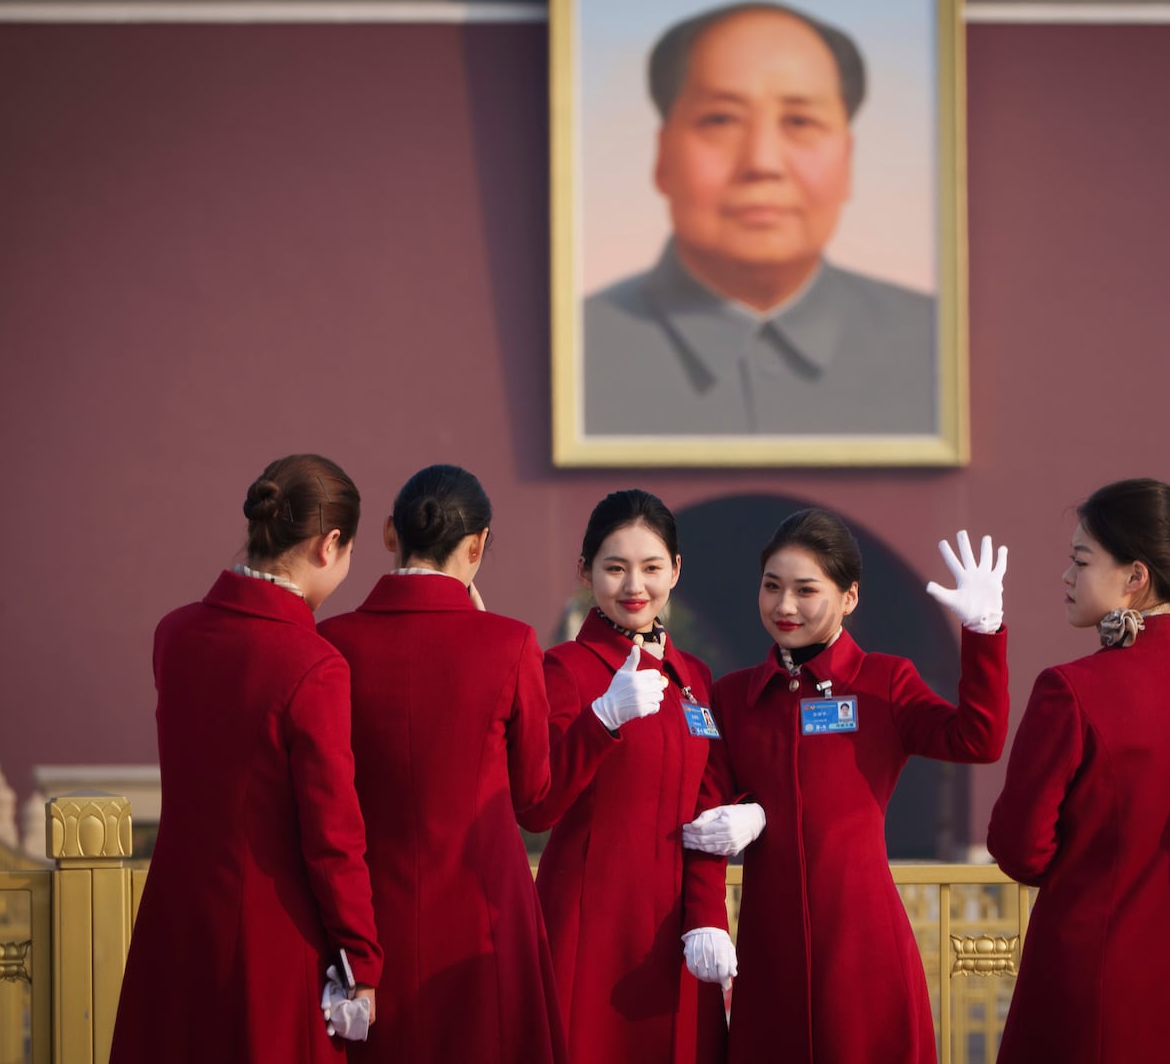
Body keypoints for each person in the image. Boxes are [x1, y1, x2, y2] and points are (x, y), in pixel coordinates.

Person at [682, 510, 1009, 1063]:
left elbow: (977, 740)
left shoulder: (885, 682)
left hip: (864, 942)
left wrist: (983, 635)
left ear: (849, 598)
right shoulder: (734, 698)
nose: (785, 606)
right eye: (772, 587)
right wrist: (707, 918)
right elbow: (704, 819)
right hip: (770, 949)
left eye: (806, 590)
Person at [987, 478, 1170, 1064]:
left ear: (1135, 577)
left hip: (1088, 988)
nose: (1066, 577)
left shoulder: (1071, 690)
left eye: (1081, 561)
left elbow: (1019, 850)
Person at [110, 454, 381, 1063]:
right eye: (349, 554)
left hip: (174, 923)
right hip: (269, 936)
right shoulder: (312, 664)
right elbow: (332, 835)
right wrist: (360, 956)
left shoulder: (174, 635)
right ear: (328, 543)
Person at [583, 1, 937, 436]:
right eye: (721, 119)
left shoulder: (938, 346)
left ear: (847, 159)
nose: (763, 162)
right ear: (661, 156)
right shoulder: (577, 349)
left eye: (800, 121)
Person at [317, 465, 565, 1063]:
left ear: (387, 533)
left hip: (369, 922)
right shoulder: (510, 644)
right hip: (484, 920)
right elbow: (536, 802)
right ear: (479, 544)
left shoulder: (332, 643)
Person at [517, 489, 729, 1064]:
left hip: (674, 926)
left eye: (652, 567)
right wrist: (601, 718)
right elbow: (538, 807)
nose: (635, 586)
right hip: (591, 921)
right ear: (585, 572)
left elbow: (708, 812)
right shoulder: (564, 670)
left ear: (676, 572)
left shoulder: (695, 678)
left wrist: (708, 917)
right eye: (615, 568)